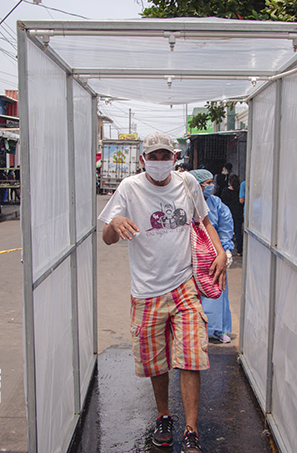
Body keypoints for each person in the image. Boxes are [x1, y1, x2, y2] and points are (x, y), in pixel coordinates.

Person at [98, 132, 227, 453]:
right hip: (146, 290)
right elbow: (107, 238)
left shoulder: (187, 184)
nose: (158, 162)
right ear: (143, 160)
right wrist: (116, 223)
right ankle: (164, 416)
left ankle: (191, 430)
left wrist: (221, 251)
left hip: (184, 286)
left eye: (164, 156)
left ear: (174, 158)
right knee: (156, 363)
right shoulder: (129, 188)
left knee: (192, 358)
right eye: (152, 156)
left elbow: (205, 221)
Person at [190, 169, 234, 343]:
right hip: (192, 254)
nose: (211, 186)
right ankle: (192, 328)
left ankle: (217, 328)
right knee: (192, 292)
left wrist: (226, 249)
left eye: (211, 182)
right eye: (206, 183)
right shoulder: (187, 202)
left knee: (217, 289)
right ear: (197, 185)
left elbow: (225, 226)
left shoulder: (216, 204)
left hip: (214, 254)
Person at [221, 174, 244, 257]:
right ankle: (239, 251)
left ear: (229, 182)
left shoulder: (225, 191)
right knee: (238, 231)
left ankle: (228, 249)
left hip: (228, 213)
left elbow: (223, 202)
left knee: (227, 231)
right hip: (238, 213)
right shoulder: (239, 190)